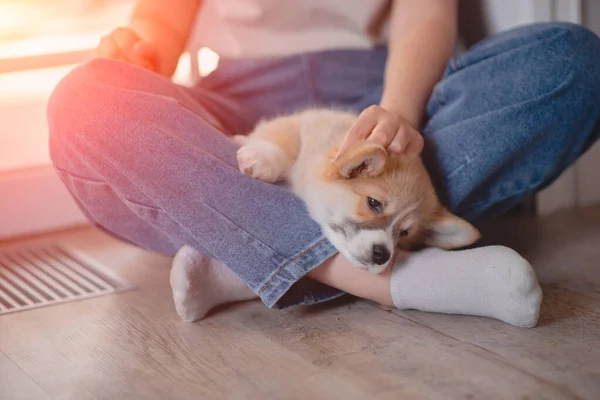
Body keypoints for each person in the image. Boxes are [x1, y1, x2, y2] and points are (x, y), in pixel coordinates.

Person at [47, 0, 600, 327]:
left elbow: (426, 9)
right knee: (84, 100)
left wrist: (396, 116)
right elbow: (161, 22)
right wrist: (137, 56)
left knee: (571, 60)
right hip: (235, 116)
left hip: (375, 94)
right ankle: (390, 280)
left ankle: (243, 250)